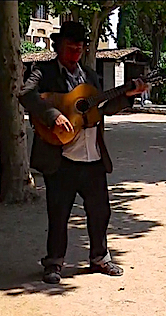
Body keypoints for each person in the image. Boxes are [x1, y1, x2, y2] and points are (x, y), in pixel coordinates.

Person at [18, 21, 148, 285]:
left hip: (93, 157)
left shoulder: (90, 75)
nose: (75, 51)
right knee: (59, 213)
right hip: (61, 157)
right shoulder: (42, 73)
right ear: (58, 46)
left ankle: (99, 258)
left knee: (101, 211)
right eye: (70, 46)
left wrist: (129, 94)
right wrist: (52, 115)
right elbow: (25, 94)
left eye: (80, 47)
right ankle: (54, 263)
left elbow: (103, 108)